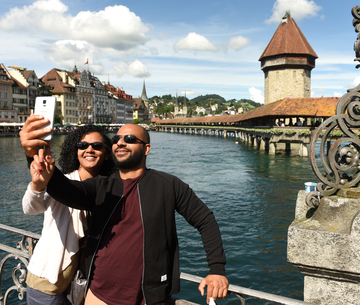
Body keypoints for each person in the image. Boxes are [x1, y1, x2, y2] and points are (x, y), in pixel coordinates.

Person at [26, 121, 229, 305]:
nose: (120, 143)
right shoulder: (101, 186)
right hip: (98, 295)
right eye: (116, 139)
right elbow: (67, 191)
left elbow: (205, 220)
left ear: (146, 149)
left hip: (150, 296)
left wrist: (217, 270)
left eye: (130, 139)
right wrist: (33, 156)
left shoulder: (168, 185)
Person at [20, 118, 116, 305]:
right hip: (48, 283)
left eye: (97, 145)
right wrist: (37, 186)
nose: (89, 149)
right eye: (83, 145)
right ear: (76, 151)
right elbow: (30, 208)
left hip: (82, 285)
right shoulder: (61, 182)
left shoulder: (109, 189)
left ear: (106, 154)